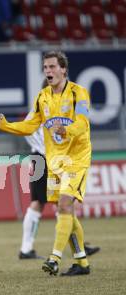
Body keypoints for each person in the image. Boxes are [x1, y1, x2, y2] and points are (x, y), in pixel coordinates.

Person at [0, 50, 92, 276]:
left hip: (76, 159)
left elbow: (83, 123)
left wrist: (66, 129)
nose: (48, 71)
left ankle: (54, 257)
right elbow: (30, 126)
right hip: (54, 160)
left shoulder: (79, 93)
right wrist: (5, 125)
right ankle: (81, 262)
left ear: (63, 69)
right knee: (64, 209)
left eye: (52, 67)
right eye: (45, 67)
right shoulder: (42, 97)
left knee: (65, 204)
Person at [20, 111, 100, 260]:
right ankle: (27, 249)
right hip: (44, 158)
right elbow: (26, 128)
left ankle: (78, 246)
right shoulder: (41, 107)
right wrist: (44, 149)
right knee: (53, 202)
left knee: (57, 202)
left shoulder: (56, 107)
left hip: (49, 158)